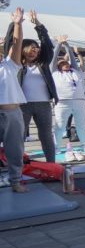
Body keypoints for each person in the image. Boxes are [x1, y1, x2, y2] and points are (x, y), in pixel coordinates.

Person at [3, 10, 57, 163]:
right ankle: (17, 164)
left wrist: (38, 25)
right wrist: (14, 24)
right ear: (23, 50)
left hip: (43, 105)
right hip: (22, 105)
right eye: (30, 48)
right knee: (19, 136)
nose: (34, 50)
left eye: (36, 48)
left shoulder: (43, 63)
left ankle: (51, 164)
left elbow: (47, 44)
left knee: (46, 135)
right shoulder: (16, 65)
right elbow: (9, 44)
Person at [1, 9, 27, 192]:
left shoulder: (9, 66)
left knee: (15, 150)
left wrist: (17, 24)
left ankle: (15, 181)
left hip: (12, 113)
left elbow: (17, 45)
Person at [51, 35, 85, 161]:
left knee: (81, 125)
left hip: (79, 101)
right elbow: (53, 58)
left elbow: (72, 59)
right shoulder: (54, 72)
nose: (66, 64)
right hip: (62, 102)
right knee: (60, 126)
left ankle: (84, 145)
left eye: (66, 63)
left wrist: (67, 46)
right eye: (62, 63)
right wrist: (59, 45)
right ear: (58, 66)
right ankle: (57, 147)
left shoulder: (76, 71)